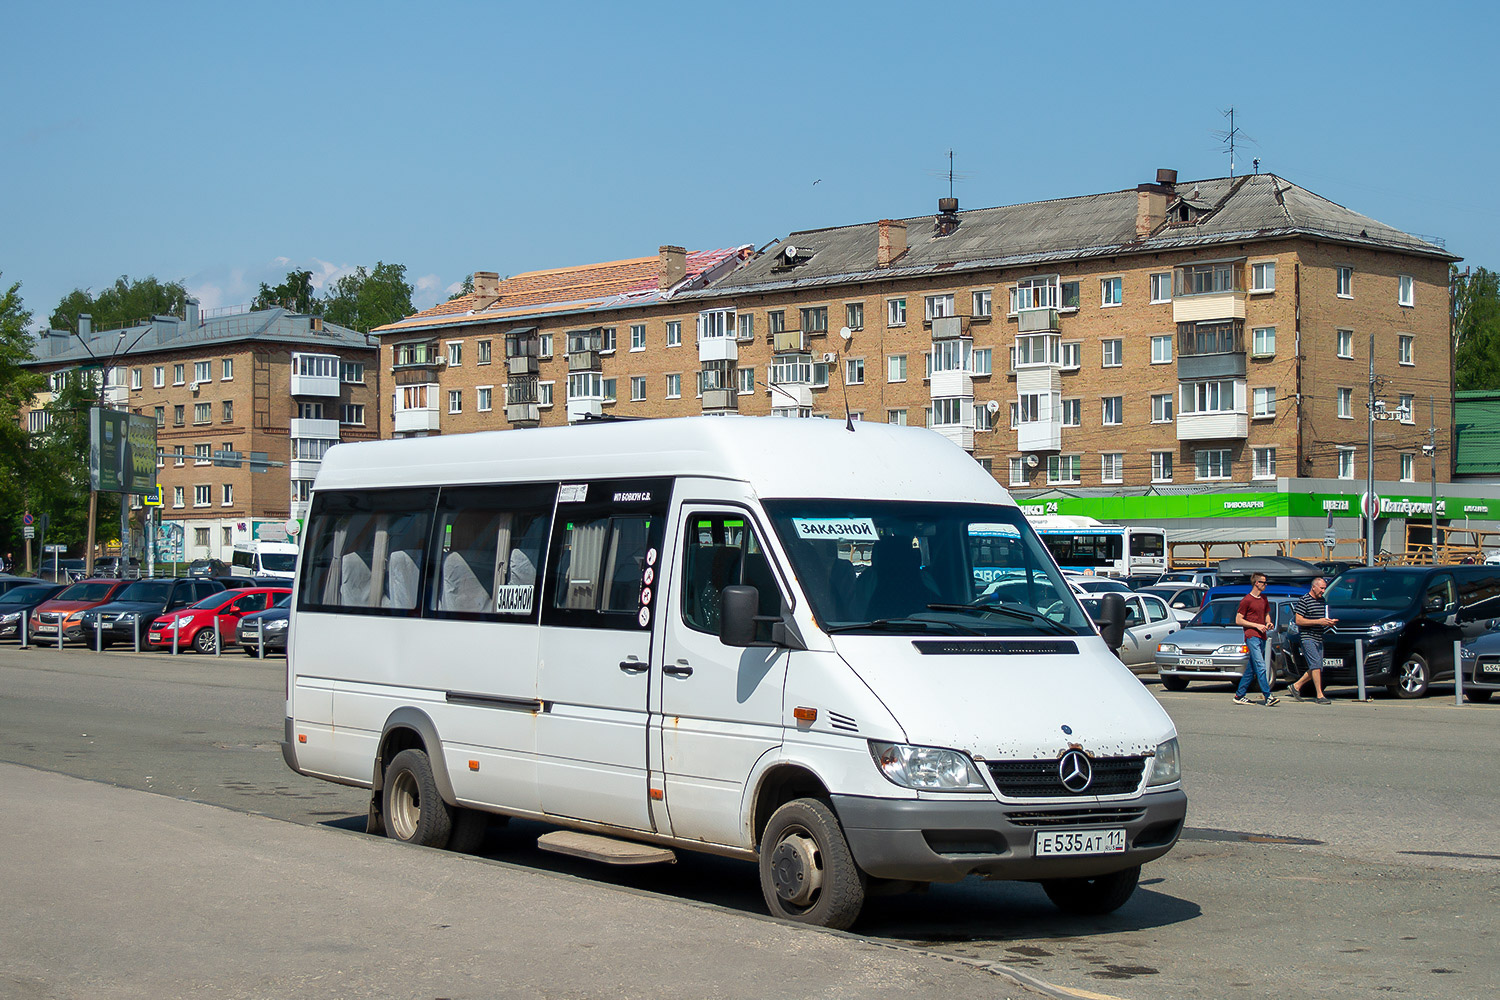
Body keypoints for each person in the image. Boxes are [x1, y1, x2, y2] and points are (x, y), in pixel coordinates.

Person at [1287, 576, 1337, 705]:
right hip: (1307, 637)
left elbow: (1321, 619)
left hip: (1319, 637)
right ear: (1313, 587)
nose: (1323, 591)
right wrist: (1318, 621)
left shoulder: (1322, 601)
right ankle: (1320, 695)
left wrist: (1328, 623)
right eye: (1321, 588)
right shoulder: (1304, 600)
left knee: (1317, 667)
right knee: (1315, 665)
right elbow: (1298, 621)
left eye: (1324, 588)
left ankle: (1296, 686)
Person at [1233, 572, 1278, 706]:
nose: (1265, 585)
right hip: (1252, 636)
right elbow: (1238, 620)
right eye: (1263, 582)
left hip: (1262, 636)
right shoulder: (1246, 600)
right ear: (1256, 583)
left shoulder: (1263, 598)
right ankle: (1268, 695)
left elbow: (1266, 615)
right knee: (1260, 665)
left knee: (1252, 668)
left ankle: (1239, 695)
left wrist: (1268, 623)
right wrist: (1256, 626)